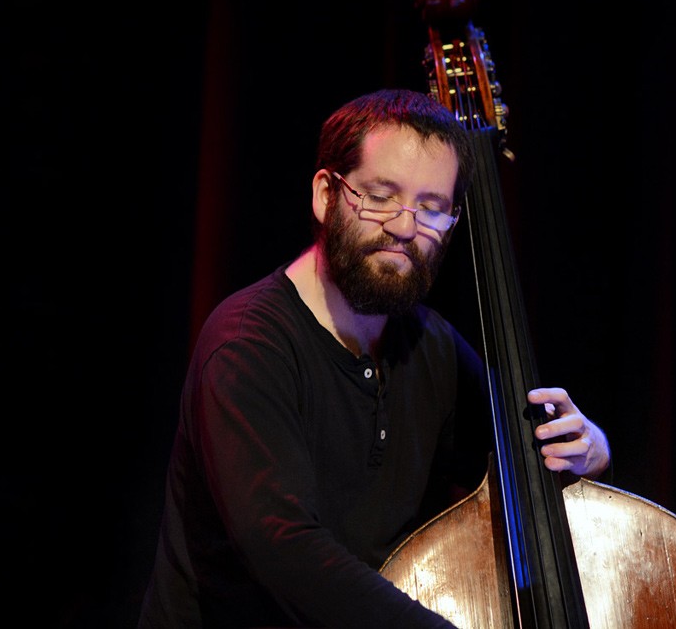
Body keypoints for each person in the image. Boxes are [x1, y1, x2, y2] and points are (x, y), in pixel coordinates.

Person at [138, 88, 612, 628]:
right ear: (325, 194)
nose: (405, 227)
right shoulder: (248, 344)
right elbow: (283, 546)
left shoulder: (429, 344)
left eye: (432, 208)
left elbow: (522, 458)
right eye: (381, 196)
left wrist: (589, 449)